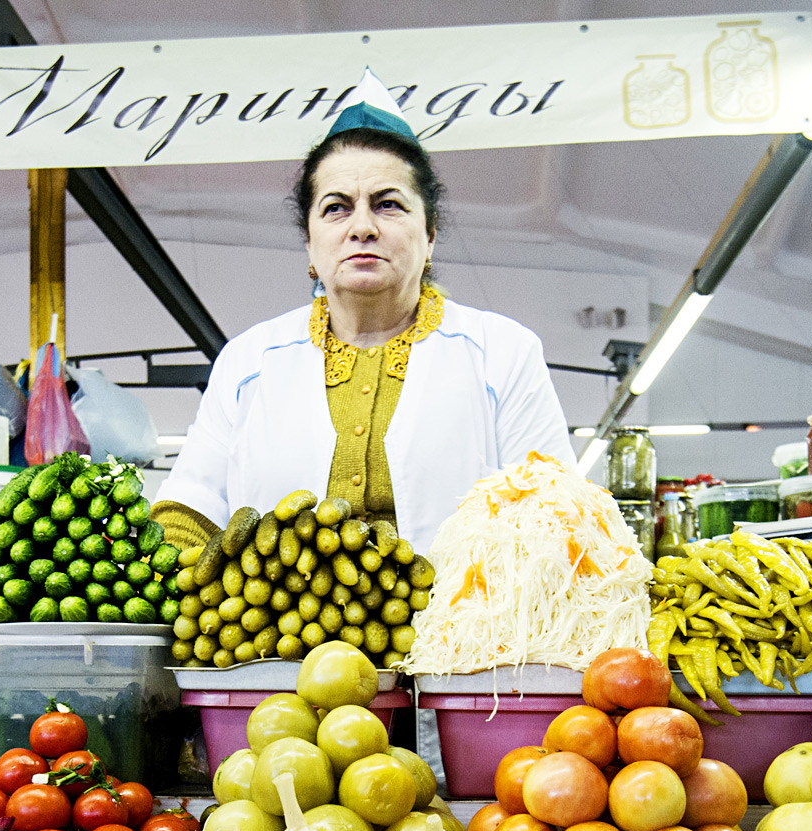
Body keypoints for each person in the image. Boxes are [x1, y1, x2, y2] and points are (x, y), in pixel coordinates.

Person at [153, 70, 574, 556]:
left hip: (462, 629)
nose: (362, 227)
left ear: (430, 234)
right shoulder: (248, 361)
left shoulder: (504, 353)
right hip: (276, 632)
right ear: (310, 242)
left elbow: (557, 514)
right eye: (336, 208)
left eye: (388, 204)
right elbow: (192, 502)